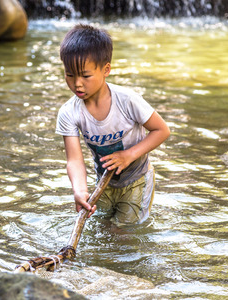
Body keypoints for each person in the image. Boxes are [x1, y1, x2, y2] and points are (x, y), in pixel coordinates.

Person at [55, 24, 170, 226]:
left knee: (124, 235)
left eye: (85, 75)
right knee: (103, 229)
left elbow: (161, 130)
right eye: (69, 75)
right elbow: (74, 160)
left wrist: (129, 155)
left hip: (137, 180)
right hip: (104, 183)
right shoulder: (69, 112)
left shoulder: (127, 100)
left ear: (106, 69)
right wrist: (80, 191)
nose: (77, 84)